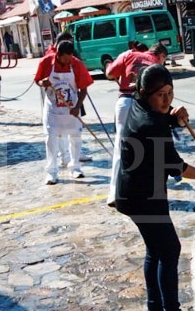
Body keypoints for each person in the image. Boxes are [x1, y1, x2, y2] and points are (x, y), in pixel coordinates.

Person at [115, 64, 195, 311]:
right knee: (169, 249)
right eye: (160, 95)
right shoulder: (151, 126)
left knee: (156, 250)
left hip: (135, 193)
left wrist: (173, 120)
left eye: (170, 93)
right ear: (143, 93)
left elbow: (158, 118)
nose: (166, 100)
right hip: (143, 197)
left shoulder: (138, 108)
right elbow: (177, 167)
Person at [106, 43, 168, 207]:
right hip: (144, 106)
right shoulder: (156, 65)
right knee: (150, 148)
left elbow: (110, 73)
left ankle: (114, 193)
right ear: (161, 55)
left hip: (125, 102)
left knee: (121, 148)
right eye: (164, 60)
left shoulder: (129, 55)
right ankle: (150, 191)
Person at [34, 40, 93, 184]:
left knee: (75, 138)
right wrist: (43, 82)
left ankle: (75, 167)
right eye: (65, 59)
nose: (68, 61)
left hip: (71, 110)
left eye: (70, 58)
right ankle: (52, 172)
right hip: (53, 111)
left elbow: (84, 88)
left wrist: (77, 107)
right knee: (51, 140)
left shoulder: (76, 64)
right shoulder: (46, 62)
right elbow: (37, 80)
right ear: (58, 55)